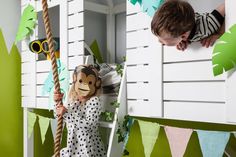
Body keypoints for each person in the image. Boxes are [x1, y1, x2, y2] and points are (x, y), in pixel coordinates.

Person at [54, 65, 106, 157]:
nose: (84, 86)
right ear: (75, 81)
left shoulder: (94, 102)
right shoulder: (74, 101)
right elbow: (59, 116)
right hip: (73, 148)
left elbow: (89, 125)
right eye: (80, 81)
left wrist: (66, 112)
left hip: (88, 149)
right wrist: (57, 103)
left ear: (96, 85)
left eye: (90, 83)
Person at [151, 0, 225, 51]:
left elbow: (227, 6)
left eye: (163, 41)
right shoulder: (184, 31)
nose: (159, 41)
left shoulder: (207, 25)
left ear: (183, 35)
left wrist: (221, 33)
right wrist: (186, 41)